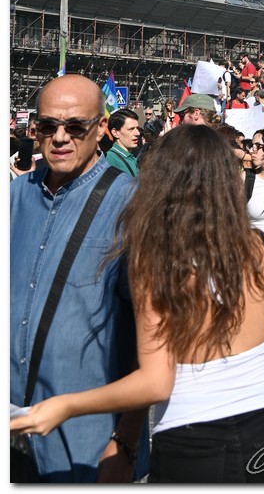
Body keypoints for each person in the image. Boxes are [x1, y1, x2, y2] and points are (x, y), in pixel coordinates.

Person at [12, 124, 264, 484]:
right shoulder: (262, 249)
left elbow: (156, 381)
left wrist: (65, 405)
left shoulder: (157, 260)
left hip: (192, 445)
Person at [10, 74, 147, 481]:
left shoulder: (132, 203)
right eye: (48, 127)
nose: (59, 138)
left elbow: (154, 342)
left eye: (75, 127)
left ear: (101, 129)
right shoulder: (15, 197)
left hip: (87, 447)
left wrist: (125, 442)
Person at [105, 107, 141, 177]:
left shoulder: (130, 156)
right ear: (115, 133)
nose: (137, 133)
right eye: (131, 129)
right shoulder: (111, 159)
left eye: (137, 128)